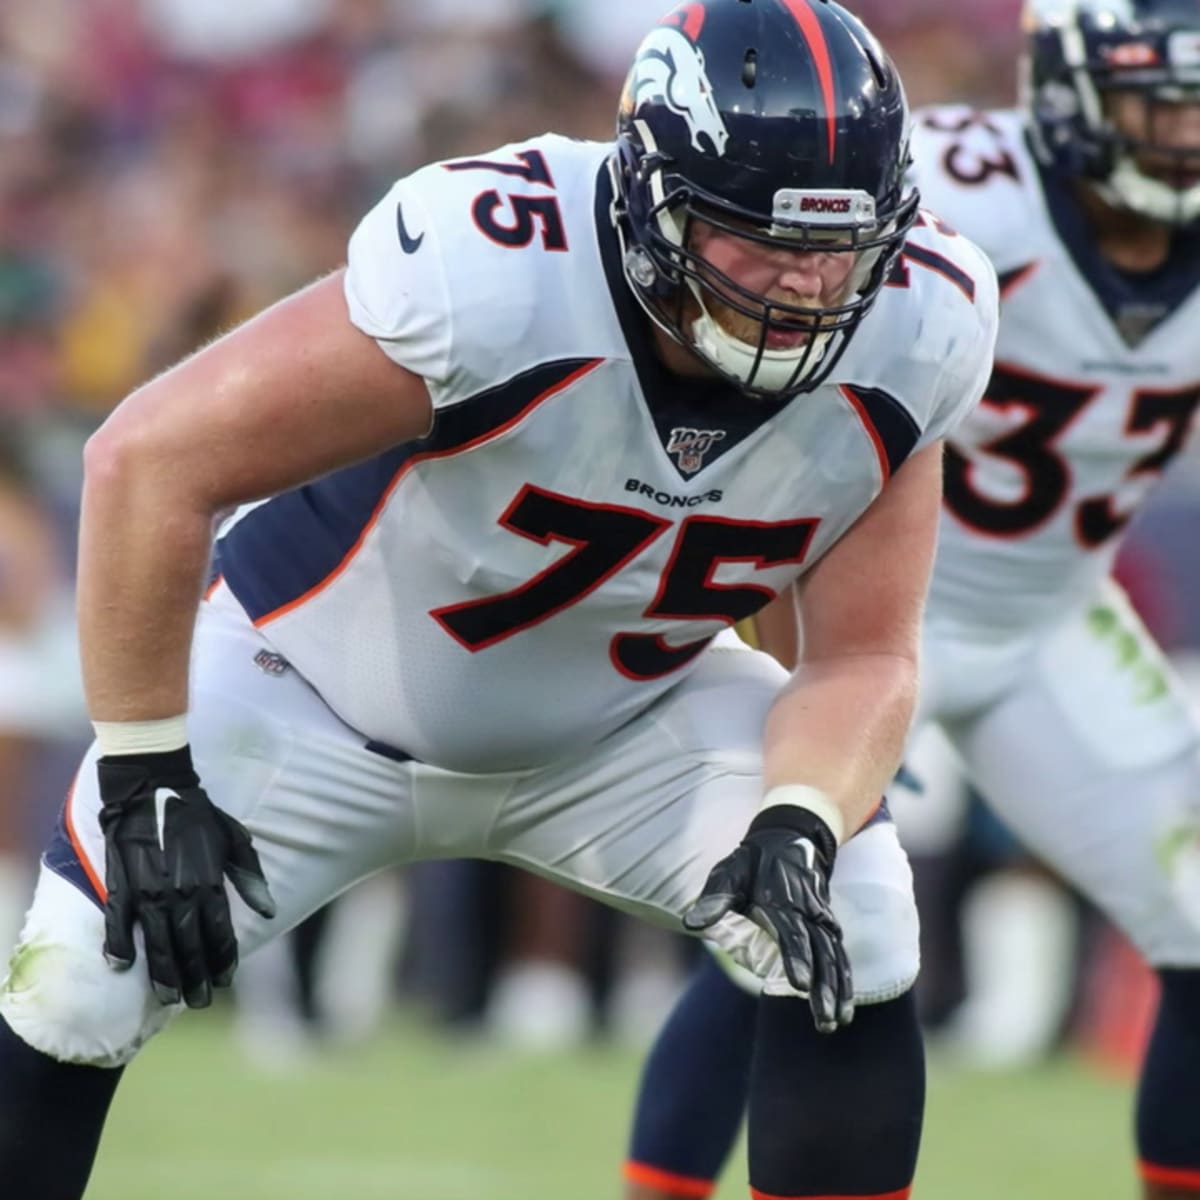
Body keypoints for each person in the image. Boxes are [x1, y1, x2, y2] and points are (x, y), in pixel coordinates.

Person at [0, 1, 998, 1196]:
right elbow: (147, 459)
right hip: (310, 688)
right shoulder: (501, 264)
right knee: (76, 978)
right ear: (652, 196)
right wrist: (145, 767)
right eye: (754, 238)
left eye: (839, 246)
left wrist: (797, 815)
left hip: (629, 719)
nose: (804, 285)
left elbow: (864, 657)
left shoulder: (919, 322)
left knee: (853, 901)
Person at [619, 2, 1200, 1198]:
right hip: (878, 611)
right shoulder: (965, 196)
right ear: (1070, 92)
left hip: (1055, 618)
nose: (1189, 135)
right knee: (791, 931)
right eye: (1167, 103)